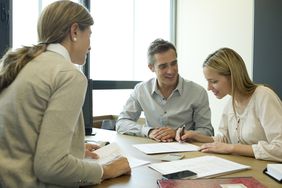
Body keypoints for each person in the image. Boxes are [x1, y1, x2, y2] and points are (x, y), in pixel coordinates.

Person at [0, 1, 130, 187]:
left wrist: (73, 149)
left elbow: (21, 139)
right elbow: (51, 166)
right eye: (90, 36)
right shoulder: (68, 75)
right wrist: (105, 170)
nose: (90, 46)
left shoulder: (22, 65)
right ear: (75, 31)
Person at [176, 47, 282, 162]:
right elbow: (225, 141)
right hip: (246, 167)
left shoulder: (264, 96)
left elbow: (279, 148)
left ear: (233, 76)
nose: (209, 88)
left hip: (268, 172)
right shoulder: (230, 104)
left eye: (214, 81)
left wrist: (232, 148)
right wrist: (195, 136)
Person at [116, 38, 214, 142]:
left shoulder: (197, 92)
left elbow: (207, 131)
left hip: (187, 150)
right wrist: (149, 132)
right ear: (151, 67)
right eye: (163, 66)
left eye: (174, 63)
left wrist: (178, 133)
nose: (170, 71)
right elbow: (122, 123)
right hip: (151, 149)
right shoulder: (141, 90)